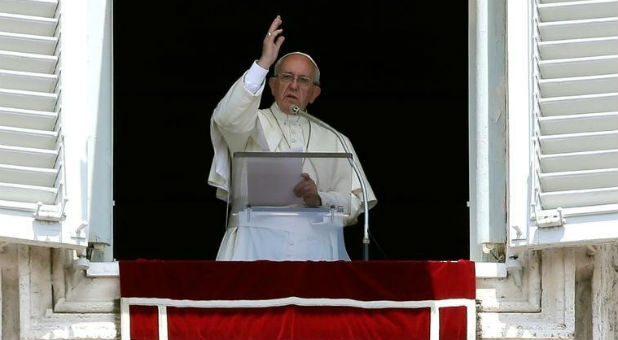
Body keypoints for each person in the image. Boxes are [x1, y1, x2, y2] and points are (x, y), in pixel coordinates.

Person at [208, 15, 377, 261]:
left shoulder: (334, 138)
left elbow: (356, 202)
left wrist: (319, 197)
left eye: (303, 80)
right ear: (273, 85)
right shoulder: (251, 123)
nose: (294, 86)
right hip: (252, 245)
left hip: (316, 249)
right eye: (286, 77)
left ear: (314, 93)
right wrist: (264, 63)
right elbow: (226, 119)